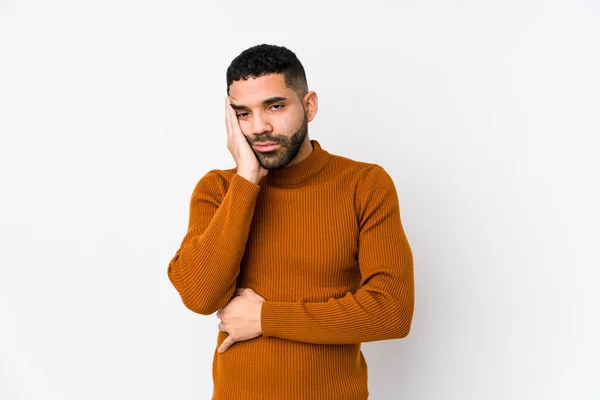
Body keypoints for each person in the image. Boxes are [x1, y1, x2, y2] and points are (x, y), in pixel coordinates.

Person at [167, 44, 414, 400]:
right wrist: (247, 178)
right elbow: (200, 296)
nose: (260, 127)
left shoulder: (364, 184)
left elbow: (391, 311)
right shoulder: (220, 189)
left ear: (309, 105)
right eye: (243, 114)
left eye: (275, 106)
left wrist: (266, 319)